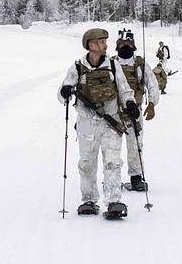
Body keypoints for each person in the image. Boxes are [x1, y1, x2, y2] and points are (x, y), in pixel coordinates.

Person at [58, 28, 138, 220]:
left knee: (112, 162)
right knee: (86, 163)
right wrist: (66, 92)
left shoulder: (113, 65)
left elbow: (124, 89)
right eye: (102, 42)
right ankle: (89, 200)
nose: (106, 45)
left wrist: (130, 103)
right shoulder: (77, 68)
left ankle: (113, 202)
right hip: (87, 124)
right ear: (91, 45)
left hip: (111, 123)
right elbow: (62, 96)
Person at [113, 29, 161, 192]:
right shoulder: (111, 63)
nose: (125, 46)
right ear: (117, 45)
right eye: (122, 43)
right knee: (112, 148)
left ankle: (136, 178)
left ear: (133, 45)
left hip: (136, 112)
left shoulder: (140, 64)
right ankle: (112, 179)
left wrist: (152, 103)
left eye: (128, 43)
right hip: (113, 113)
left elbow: (152, 83)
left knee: (136, 146)